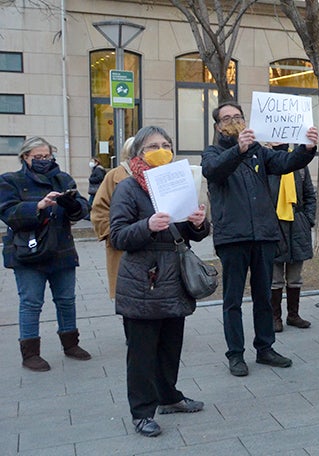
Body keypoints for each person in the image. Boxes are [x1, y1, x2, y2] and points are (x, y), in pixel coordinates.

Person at [201, 101, 318, 377]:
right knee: (232, 300)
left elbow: (286, 162)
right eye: (227, 118)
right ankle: (236, 354)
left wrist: (307, 148)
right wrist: (238, 150)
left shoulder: (259, 153)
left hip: (264, 235)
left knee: (264, 295)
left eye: (238, 116)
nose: (233, 121)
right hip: (233, 238)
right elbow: (213, 171)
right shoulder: (212, 153)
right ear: (218, 126)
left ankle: (265, 347)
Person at [108, 126, 209, 437]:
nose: (162, 149)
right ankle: (141, 412)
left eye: (166, 144)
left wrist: (199, 223)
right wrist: (147, 225)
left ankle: (169, 397)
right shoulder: (128, 188)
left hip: (173, 279)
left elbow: (194, 234)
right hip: (143, 281)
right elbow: (118, 235)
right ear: (139, 152)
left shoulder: (180, 183)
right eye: (154, 145)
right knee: (141, 353)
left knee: (169, 347)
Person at [1, 136, 92, 372]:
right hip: (28, 252)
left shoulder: (62, 179)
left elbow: (82, 208)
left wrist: (71, 204)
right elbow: (8, 213)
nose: (44, 161)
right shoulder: (10, 180)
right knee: (31, 302)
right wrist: (38, 206)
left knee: (66, 300)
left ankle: (71, 344)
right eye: (38, 157)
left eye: (47, 156)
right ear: (25, 158)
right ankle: (30, 353)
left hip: (60, 249)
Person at [267, 143, 317, 333]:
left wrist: (307, 220)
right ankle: (275, 317)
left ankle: (293, 315)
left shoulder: (300, 163)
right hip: (273, 224)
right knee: (275, 278)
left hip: (297, 224)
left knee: (295, 277)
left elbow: (310, 195)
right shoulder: (266, 161)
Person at [92, 137, 135, 301]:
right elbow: (99, 210)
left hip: (152, 243)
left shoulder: (156, 172)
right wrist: (114, 234)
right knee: (127, 294)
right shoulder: (114, 176)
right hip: (123, 245)